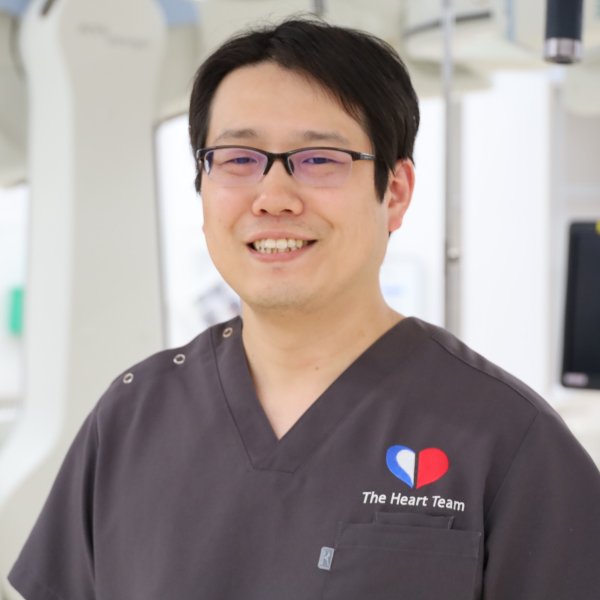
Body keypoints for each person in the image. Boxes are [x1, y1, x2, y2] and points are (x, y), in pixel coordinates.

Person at [7, 17, 600, 600]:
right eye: (238, 158)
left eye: (319, 159)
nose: (273, 197)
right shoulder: (132, 417)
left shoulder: (509, 442)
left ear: (395, 192)